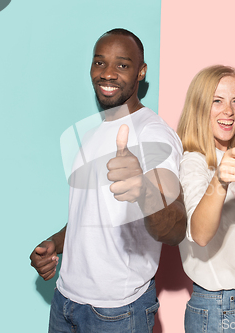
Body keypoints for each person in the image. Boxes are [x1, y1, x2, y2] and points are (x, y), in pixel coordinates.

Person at [29, 28, 187, 333]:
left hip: (117, 312)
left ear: (141, 72)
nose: (108, 74)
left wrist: (144, 191)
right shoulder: (92, 135)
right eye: (100, 63)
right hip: (65, 301)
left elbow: (176, 228)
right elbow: (90, 215)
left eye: (123, 65)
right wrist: (56, 244)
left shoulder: (153, 135)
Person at [177, 65, 235, 332]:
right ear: (198, 106)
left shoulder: (231, 160)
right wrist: (219, 180)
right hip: (221, 308)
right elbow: (200, 233)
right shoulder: (193, 163)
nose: (228, 110)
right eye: (216, 100)